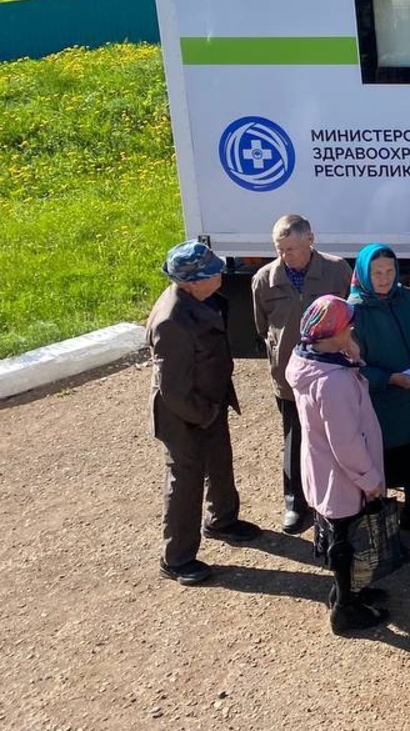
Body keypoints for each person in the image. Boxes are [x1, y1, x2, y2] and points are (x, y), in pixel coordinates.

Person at [145, 239, 261, 586]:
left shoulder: (202, 297)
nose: (220, 273)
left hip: (208, 401)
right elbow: (174, 390)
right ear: (192, 281)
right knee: (186, 479)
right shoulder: (172, 322)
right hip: (184, 412)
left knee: (219, 462)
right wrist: (204, 414)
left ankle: (221, 520)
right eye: (212, 271)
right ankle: (177, 558)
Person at [284, 295, 390, 635]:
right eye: (348, 327)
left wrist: (350, 354)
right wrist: (370, 478)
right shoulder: (334, 382)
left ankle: (347, 591)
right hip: (344, 476)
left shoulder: (308, 359)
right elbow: (345, 442)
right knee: (344, 539)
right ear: (331, 334)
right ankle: (345, 608)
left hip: (321, 468)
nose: (353, 329)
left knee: (334, 531)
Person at [250, 214, 353, 533]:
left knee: (340, 434)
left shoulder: (337, 270)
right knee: (295, 438)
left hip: (333, 373)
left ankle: (345, 496)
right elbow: (261, 326)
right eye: (280, 249)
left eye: (292, 248)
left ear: (311, 239)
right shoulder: (264, 279)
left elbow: (351, 314)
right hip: (290, 378)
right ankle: (295, 502)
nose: (285, 256)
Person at [348, 244, 410, 535]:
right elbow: (354, 366)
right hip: (386, 405)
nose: (384, 278)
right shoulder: (355, 311)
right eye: (377, 272)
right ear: (364, 273)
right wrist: (390, 378)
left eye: (390, 270)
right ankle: (383, 527)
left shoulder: (407, 297)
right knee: (385, 467)